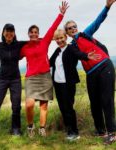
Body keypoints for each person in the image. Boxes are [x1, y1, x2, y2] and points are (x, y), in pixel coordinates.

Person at [64, 0, 116, 144]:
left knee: (107, 100)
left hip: (104, 67)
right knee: (95, 103)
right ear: (67, 32)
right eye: (69, 28)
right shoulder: (71, 47)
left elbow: (97, 21)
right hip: (91, 73)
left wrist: (106, 7)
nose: (73, 28)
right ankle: (101, 131)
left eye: (74, 26)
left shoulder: (85, 33)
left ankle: (112, 132)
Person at [20, 1, 69, 138]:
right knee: (29, 104)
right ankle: (30, 126)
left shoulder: (45, 41)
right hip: (31, 78)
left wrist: (61, 14)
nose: (34, 34)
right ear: (28, 34)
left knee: (44, 105)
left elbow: (53, 27)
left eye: (36, 32)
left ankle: (42, 128)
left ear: (38, 33)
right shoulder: (24, 47)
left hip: (45, 76)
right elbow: (14, 53)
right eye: (32, 32)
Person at [50, 29, 101, 141]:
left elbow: (78, 54)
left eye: (61, 38)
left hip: (68, 84)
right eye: (57, 38)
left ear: (65, 37)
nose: (59, 40)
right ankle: (69, 130)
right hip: (58, 84)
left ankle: (75, 132)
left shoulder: (70, 48)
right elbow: (49, 62)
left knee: (68, 108)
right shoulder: (57, 51)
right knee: (63, 108)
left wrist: (87, 56)